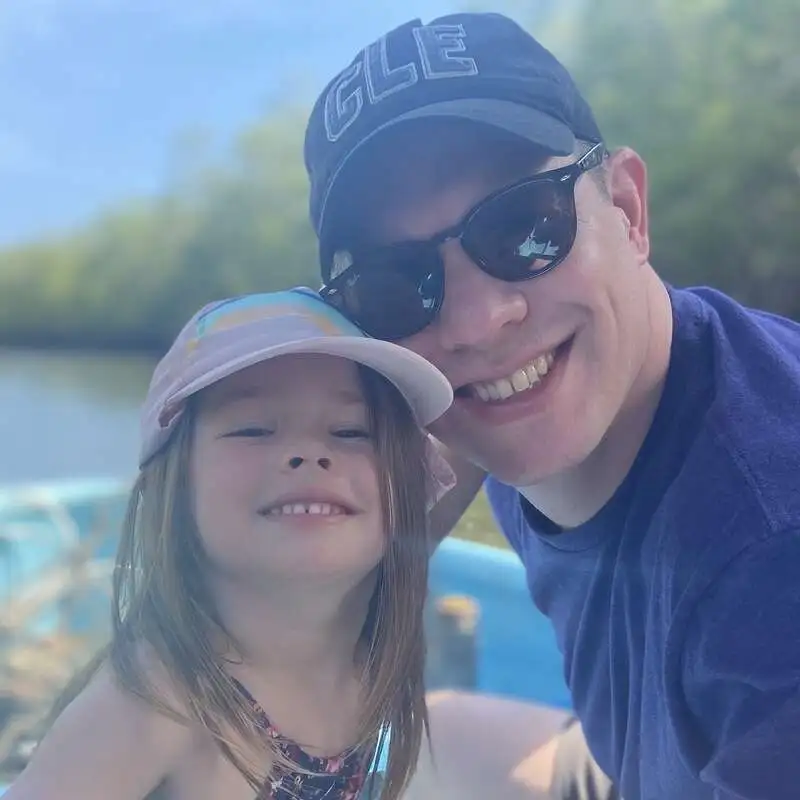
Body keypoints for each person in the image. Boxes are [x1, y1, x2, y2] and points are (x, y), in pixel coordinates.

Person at [302, 11, 800, 800]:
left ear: (628, 210)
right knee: (417, 743)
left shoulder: (771, 571)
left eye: (525, 227)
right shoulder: (545, 385)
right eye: (397, 284)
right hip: (638, 765)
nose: (475, 324)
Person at [4, 287, 457, 800]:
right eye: (253, 429)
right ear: (175, 488)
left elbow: (476, 452)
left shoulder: (371, 656)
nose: (309, 453)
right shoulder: (156, 704)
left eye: (352, 431)